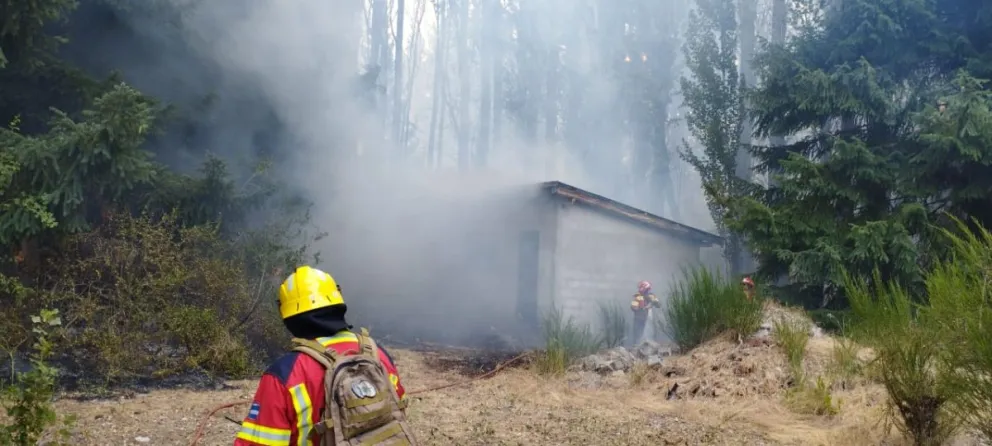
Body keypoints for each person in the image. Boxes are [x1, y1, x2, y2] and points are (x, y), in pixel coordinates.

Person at [234, 265, 415, 446]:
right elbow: (399, 410)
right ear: (338, 303)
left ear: (288, 316)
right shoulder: (377, 354)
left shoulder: (284, 374)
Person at [629, 280, 660, 346]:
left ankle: (651, 344)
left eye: (647, 289)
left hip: (649, 317)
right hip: (639, 318)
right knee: (638, 333)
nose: (646, 291)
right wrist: (641, 308)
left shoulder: (651, 296)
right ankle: (637, 345)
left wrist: (653, 302)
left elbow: (658, 305)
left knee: (650, 331)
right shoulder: (638, 297)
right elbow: (633, 307)